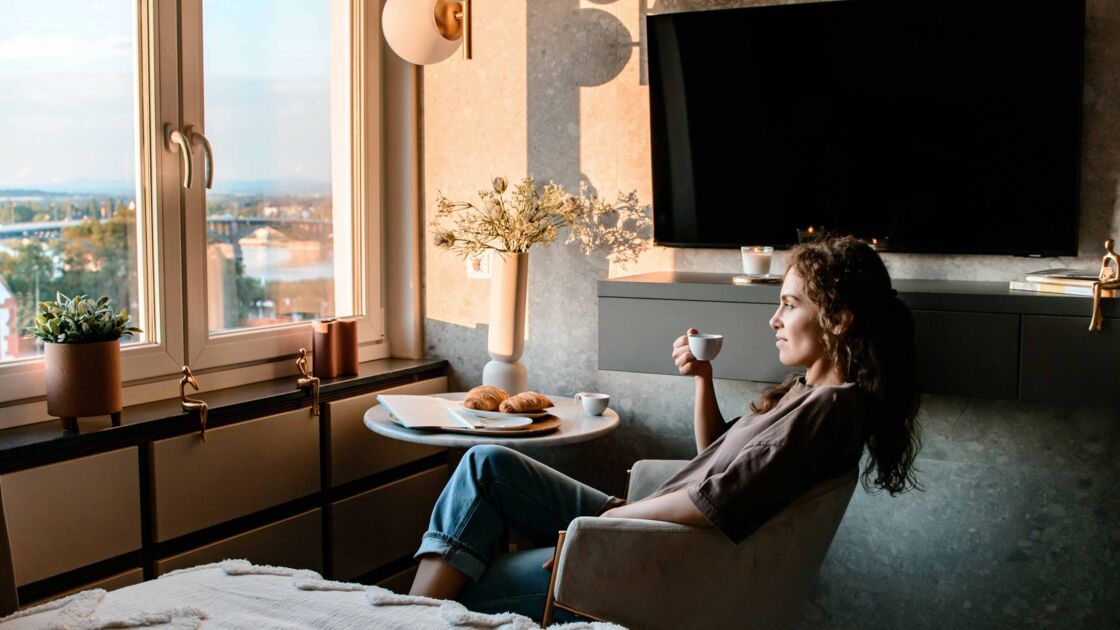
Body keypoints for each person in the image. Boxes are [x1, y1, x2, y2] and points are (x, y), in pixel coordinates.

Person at [408, 235, 922, 621]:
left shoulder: (827, 412)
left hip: (654, 552)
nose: (774, 319)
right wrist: (703, 378)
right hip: (644, 527)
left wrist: (610, 524)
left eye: (790, 305)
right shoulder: (807, 393)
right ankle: (410, 615)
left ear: (838, 319)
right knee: (486, 464)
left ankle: (408, 620)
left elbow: (712, 500)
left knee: (468, 576)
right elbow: (717, 457)